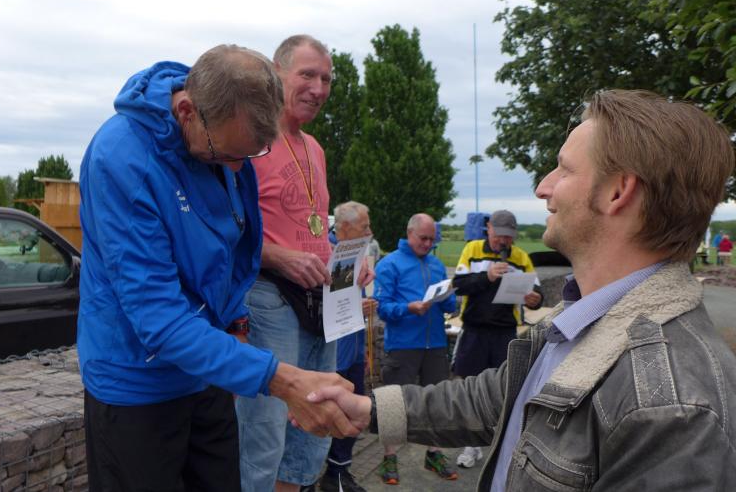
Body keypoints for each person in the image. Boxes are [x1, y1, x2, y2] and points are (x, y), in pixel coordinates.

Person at [306, 89, 736, 490]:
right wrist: (369, 409)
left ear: (617, 192)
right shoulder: (583, 319)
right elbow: (496, 400)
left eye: (564, 168)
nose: (542, 187)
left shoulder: (674, 405)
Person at [78, 45, 355, 492]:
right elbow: (159, 319)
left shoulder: (225, 142)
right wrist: (281, 380)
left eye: (250, 156)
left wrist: (237, 322)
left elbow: (233, 252)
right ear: (186, 111)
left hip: (207, 365)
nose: (237, 169)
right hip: (137, 381)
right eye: (224, 156)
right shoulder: (121, 158)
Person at [235, 35, 373, 492]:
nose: (319, 88)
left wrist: (350, 267)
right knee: (265, 430)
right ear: (277, 73)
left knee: (315, 425)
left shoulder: (314, 147)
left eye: (327, 79)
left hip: (322, 299)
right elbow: (221, 231)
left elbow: (313, 231)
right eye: (308, 75)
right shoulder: (248, 140)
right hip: (268, 295)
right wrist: (277, 255)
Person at [451, 209, 543, 468]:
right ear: (488, 228)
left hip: (504, 333)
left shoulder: (521, 257)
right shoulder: (472, 250)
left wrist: (535, 299)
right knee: (470, 388)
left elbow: (537, 293)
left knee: (504, 389)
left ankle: (499, 444)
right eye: (499, 235)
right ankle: (471, 446)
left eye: (508, 237)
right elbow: (459, 285)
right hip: (475, 331)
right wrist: (488, 276)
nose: (503, 241)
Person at [373, 213, 458, 485]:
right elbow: (382, 308)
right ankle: (389, 458)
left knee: (437, 402)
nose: (428, 244)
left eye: (432, 239)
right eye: (423, 238)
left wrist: (450, 299)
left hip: (436, 343)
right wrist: (408, 308)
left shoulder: (436, 264)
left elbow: (450, 305)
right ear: (409, 233)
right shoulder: (389, 264)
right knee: (394, 403)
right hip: (402, 345)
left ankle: (434, 454)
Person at [317, 201, 377, 492]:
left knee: (352, 415)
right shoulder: (327, 253)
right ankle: (316, 477)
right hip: (332, 354)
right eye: (364, 226)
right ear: (344, 227)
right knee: (329, 416)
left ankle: (339, 472)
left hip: (352, 351)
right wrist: (357, 307)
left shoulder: (355, 254)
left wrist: (362, 350)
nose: (370, 232)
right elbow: (329, 304)